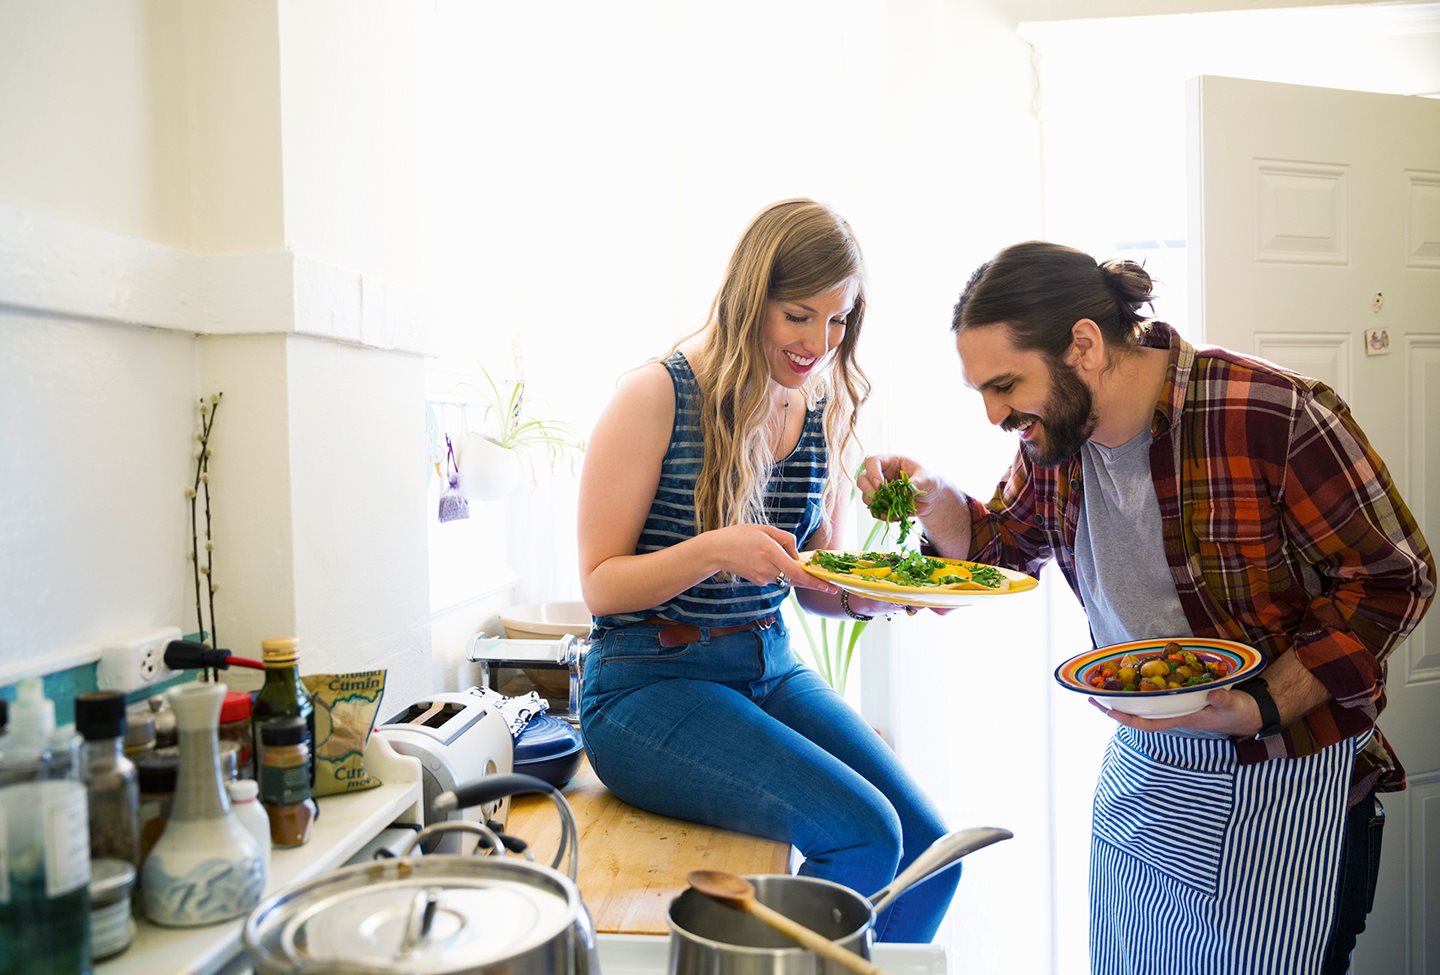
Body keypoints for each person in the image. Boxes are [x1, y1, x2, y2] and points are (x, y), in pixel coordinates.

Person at [861, 242, 1434, 971]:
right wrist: (940, 500)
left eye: (1005, 385)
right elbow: (1002, 548)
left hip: (1287, 778)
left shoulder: (1273, 414)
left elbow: (1395, 579)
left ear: (1085, 345)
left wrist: (1263, 703)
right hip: (1146, 774)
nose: (994, 413)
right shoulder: (1055, 441)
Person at [577, 198, 958, 942]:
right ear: (752, 298)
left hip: (769, 664)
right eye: (798, 315)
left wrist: (882, 597)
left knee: (933, 852)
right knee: (866, 834)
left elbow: (818, 582)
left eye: (839, 319)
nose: (820, 341)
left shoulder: (823, 407)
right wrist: (719, 547)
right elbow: (601, 583)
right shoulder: (656, 395)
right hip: (645, 687)